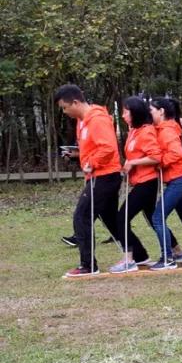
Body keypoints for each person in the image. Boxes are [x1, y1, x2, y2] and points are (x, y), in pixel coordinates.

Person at [55, 85, 125, 278]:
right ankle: (138, 255)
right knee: (110, 219)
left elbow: (108, 148)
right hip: (98, 175)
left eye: (65, 107)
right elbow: (94, 148)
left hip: (105, 176)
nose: (65, 112)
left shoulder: (97, 119)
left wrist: (91, 163)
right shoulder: (82, 121)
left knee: (82, 216)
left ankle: (88, 265)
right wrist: (77, 155)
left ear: (75, 102)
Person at [109, 96, 172, 273]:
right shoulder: (133, 131)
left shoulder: (146, 131)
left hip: (147, 182)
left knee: (122, 217)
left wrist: (133, 162)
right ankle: (177, 251)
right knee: (152, 217)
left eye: (126, 112)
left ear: (135, 113)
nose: (123, 115)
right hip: (139, 181)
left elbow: (156, 157)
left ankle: (129, 259)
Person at [149, 97, 182, 270]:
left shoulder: (167, 130)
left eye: (151, 110)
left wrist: (160, 163)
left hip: (178, 180)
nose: (149, 113)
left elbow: (177, 153)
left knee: (157, 217)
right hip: (175, 180)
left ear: (161, 111)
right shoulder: (162, 129)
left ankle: (167, 258)